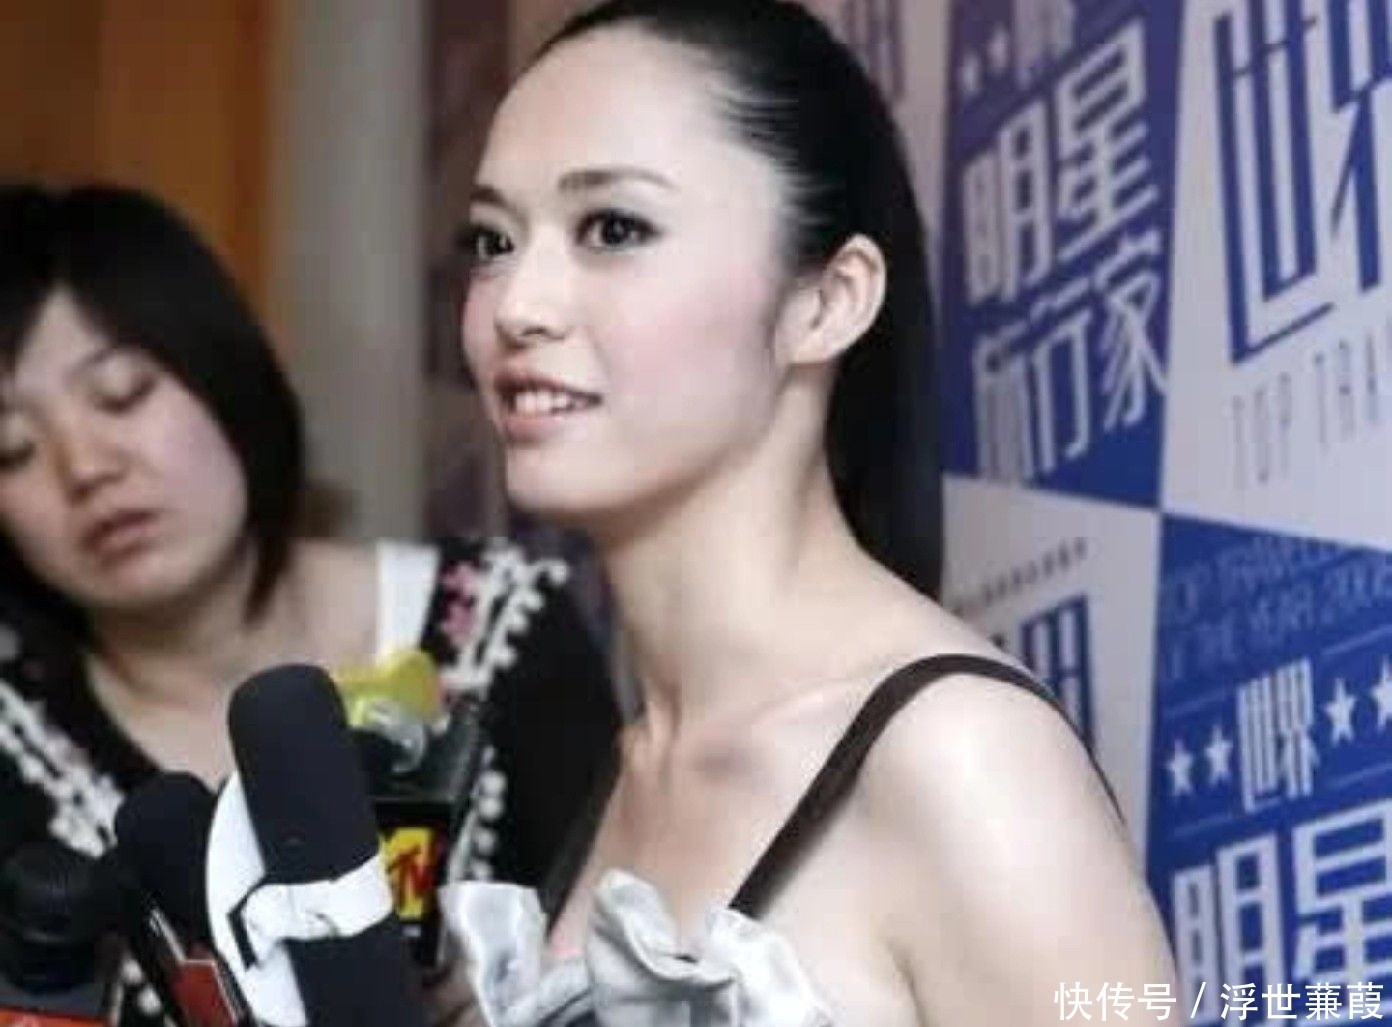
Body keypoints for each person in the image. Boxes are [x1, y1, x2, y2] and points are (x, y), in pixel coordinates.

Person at [441, 1, 1179, 1023]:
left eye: (613, 229)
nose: (519, 306)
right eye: (493, 241)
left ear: (828, 301)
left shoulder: (960, 758)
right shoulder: (631, 769)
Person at [0, 184, 620, 1024]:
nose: (86, 466)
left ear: (226, 375)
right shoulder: (13, 746)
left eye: (122, 394)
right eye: (12, 449)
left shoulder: (503, 625)